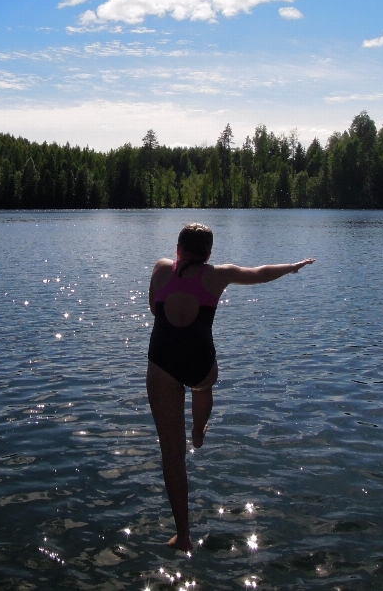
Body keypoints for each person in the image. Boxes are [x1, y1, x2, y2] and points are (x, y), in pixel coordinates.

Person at [147, 222, 314, 553]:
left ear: (178, 249)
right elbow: (259, 273)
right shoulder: (217, 275)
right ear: (208, 253)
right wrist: (292, 267)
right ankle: (198, 430)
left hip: (162, 361)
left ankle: (183, 536)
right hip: (199, 360)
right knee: (203, 386)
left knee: (171, 455)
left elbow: (155, 308)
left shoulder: (162, 269)